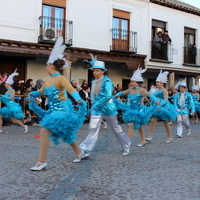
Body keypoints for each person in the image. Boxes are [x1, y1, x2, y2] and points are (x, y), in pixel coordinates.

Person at [28, 37, 87, 171]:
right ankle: (79, 152)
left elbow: (71, 90)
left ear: (51, 66)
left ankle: (41, 161)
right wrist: (32, 94)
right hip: (54, 111)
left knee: (44, 130)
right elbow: (42, 92)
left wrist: (78, 99)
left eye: (47, 64)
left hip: (63, 109)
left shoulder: (61, 78)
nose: (46, 67)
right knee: (65, 133)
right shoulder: (48, 79)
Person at [80, 55, 131, 156]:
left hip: (108, 108)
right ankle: (86, 149)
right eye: (94, 71)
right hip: (97, 109)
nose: (95, 73)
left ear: (103, 71)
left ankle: (126, 145)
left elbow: (108, 96)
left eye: (98, 71)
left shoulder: (107, 81)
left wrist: (97, 104)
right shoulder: (93, 82)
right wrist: (94, 104)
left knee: (116, 128)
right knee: (92, 128)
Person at [115, 68, 159, 147]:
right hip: (131, 110)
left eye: (133, 82)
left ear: (138, 83)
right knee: (139, 126)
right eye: (131, 82)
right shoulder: (130, 90)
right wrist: (116, 95)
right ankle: (143, 140)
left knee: (132, 125)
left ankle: (126, 142)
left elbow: (150, 95)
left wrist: (156, 100)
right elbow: (123, 92)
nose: (131, 83)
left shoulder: (141, 90)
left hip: (139, 111)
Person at [146, 70, 177, 143]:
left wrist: (160, 103)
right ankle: (150, 136)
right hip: (156, 107)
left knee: (166, 122)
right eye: (156, 82)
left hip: (164, 108)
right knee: (153, 121)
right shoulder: (156, 90)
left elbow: (166, 99)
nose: (157, 83)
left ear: (162, 83)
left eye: (158, 82)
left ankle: (169, 137)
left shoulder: (164, 90)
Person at [0, 69, 28, 133]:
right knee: (1, 116)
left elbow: (10, 98)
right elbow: (5, 98)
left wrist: (2, 96)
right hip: (7, 106)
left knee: (14, 119)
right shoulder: (7, 90)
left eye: (6, 84)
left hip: (11, 106)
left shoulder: (12, 90)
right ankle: (0, 129)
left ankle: (24, 126)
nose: (5, 85)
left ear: (9, 84)